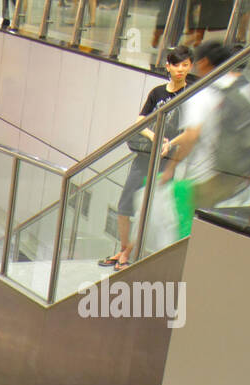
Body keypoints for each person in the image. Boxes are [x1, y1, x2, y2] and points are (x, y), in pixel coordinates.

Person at [100, 45, 192, 269]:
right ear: (168, 66)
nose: (181, 70)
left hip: (168, 160)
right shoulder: (157, 92)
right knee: (125, 206)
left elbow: (191, 131)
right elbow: (140, 121)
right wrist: (155, 137)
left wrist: (170, 143)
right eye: (177, 65)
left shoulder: (191, 95)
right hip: (145, 156)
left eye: (186, 65)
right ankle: (123, 249)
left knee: (147, 210)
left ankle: (128, 253)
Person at [162, 41, 250, 219]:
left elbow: (191, 136)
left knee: (191, 231)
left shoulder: (203, 95)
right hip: (240, 182)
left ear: (204, 63)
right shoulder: (248, 89)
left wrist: (170, 168)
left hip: (206, 181)